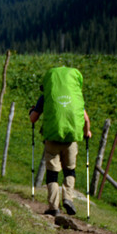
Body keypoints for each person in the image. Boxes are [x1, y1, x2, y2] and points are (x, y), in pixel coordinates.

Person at [30, 66, 92, 217]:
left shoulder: (46, 96)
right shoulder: (75, 97)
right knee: (69, 170)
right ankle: (68, 198)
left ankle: (53, 207)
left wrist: (32, 110)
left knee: (52, 174)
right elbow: (85, 119)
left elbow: (33, 118)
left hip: (52, 139)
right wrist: (87, 132)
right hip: (71, 140)